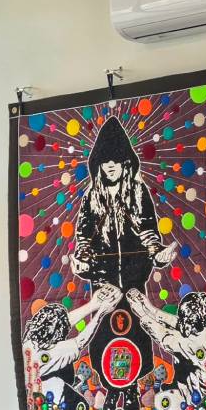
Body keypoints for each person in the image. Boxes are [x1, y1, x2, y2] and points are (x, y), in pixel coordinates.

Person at [71, 117, 175, 293]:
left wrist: (159, 255)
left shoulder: (139, 192)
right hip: (102, 288)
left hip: (135, 285)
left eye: (116, 159)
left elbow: (148, 232)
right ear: (99, 164)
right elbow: (84, 239)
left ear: (125, 161)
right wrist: (82, 263)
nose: (111, 165)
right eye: (105, 159)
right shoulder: (91, 197)